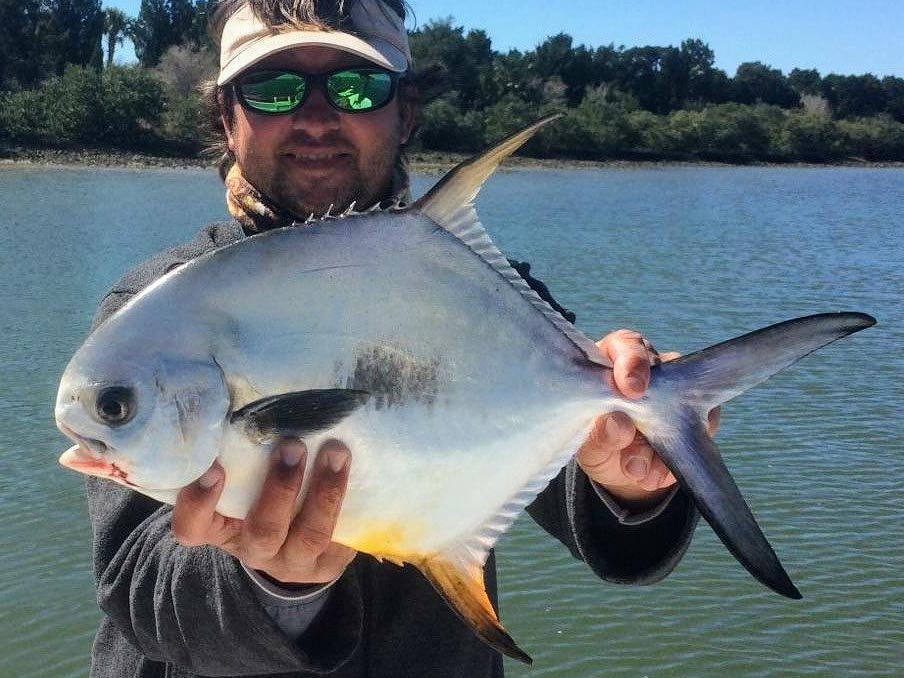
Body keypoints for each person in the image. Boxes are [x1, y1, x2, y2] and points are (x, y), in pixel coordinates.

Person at [83, 1, 716, 676]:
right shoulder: (151, 315)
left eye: (358, 88)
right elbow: (135, 582)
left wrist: (628, 481)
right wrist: (273, 587)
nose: (317, 118)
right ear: (226, 117)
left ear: (406, 112)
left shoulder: (478, 290)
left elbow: (558, 461)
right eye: (274, 89)